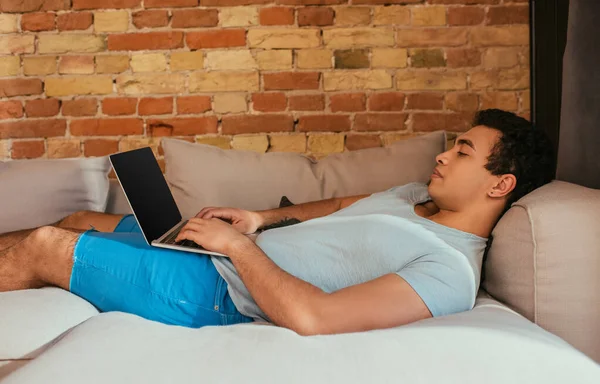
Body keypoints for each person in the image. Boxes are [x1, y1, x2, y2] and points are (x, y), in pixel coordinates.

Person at [0, 109, 555, 336]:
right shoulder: (415, 197)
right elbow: (340, 206)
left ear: (500, 184)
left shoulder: (449, 270)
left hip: (217, 292)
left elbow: (315, 316)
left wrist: (236, 248)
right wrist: (259, 219)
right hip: (215, 254)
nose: (442, 156)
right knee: (79, 218)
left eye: (462, 152)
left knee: (47, 244)